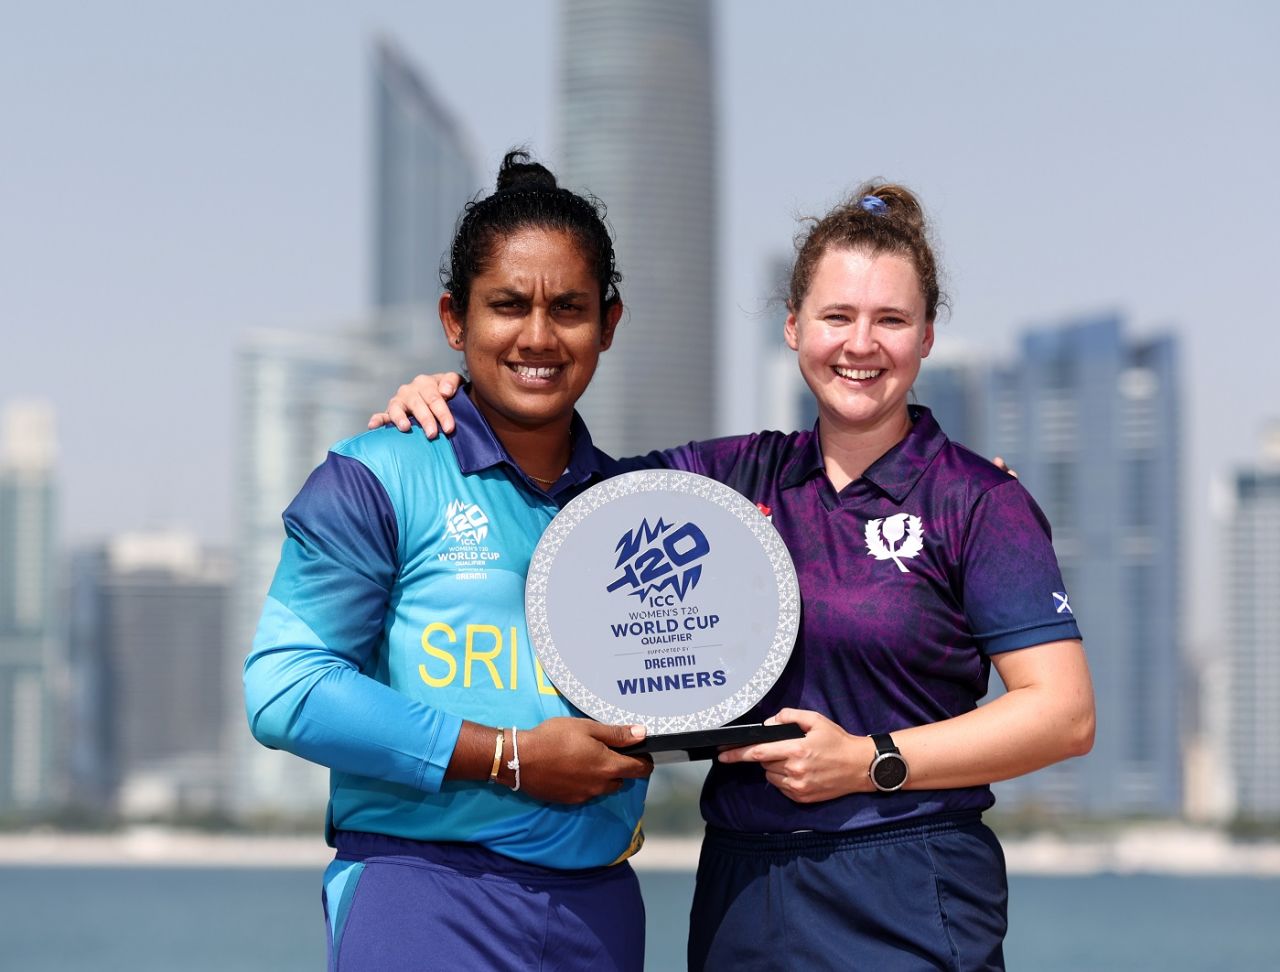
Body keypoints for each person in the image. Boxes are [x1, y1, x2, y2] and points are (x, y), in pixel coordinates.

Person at [374, 181, 1096, 970]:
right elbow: (559, 490)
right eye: (836, 317)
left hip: (906, 884)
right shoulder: (728, 478)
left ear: (925, 337)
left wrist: (870, 760)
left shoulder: (978, 499)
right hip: (741, 892)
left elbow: (1062, 714)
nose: (861, 344)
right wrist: (456, 398)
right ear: (793, 327)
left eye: (890, 320)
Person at [243, 151, 655, 972]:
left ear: (608, 324)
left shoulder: (638, 507)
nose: (538, 336)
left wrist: (984, 491)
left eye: (568, 309)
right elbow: (284, 690)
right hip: (423, 897)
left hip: (601, 910)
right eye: (507, 306)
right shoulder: (376, 472)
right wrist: (511, 756)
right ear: (454, 320)